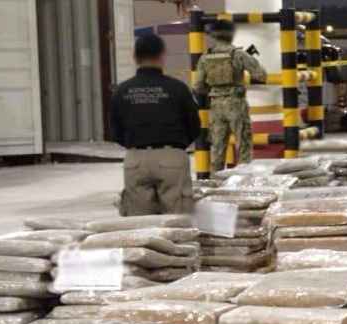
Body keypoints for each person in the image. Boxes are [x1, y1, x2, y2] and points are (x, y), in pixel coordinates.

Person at [109, 34, 200, 216]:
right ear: (162, 56)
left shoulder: (121, 90)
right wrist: (175, 147)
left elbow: (115, 132)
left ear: (134, 57)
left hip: (136, 160)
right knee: (178, 222)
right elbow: (195, 127)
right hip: (172, 158)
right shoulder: (178, 88)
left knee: (139, 224)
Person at [194, 20, 267, 174]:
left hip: (215, 107)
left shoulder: (205, 56)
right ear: (231, 35)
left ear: (214, 35)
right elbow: (261, 75)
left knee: (217, 149)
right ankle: (242, 179)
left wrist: (213, 90)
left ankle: (216, 181)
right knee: (243, 145)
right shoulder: (237, 54)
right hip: (236, 104)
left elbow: (198, 87)